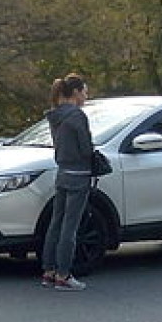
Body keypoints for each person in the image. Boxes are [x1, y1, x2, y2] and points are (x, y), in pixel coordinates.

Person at [40, 72, 93, 292]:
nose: (86, 96)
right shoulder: (77, 116)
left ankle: (49, 271)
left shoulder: (55, 116)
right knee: (70, 228)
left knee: (56, 223)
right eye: (85, 92)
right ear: (76, 92)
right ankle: (64, 274)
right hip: (79, 174)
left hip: (61, 172)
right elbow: (85, 148)